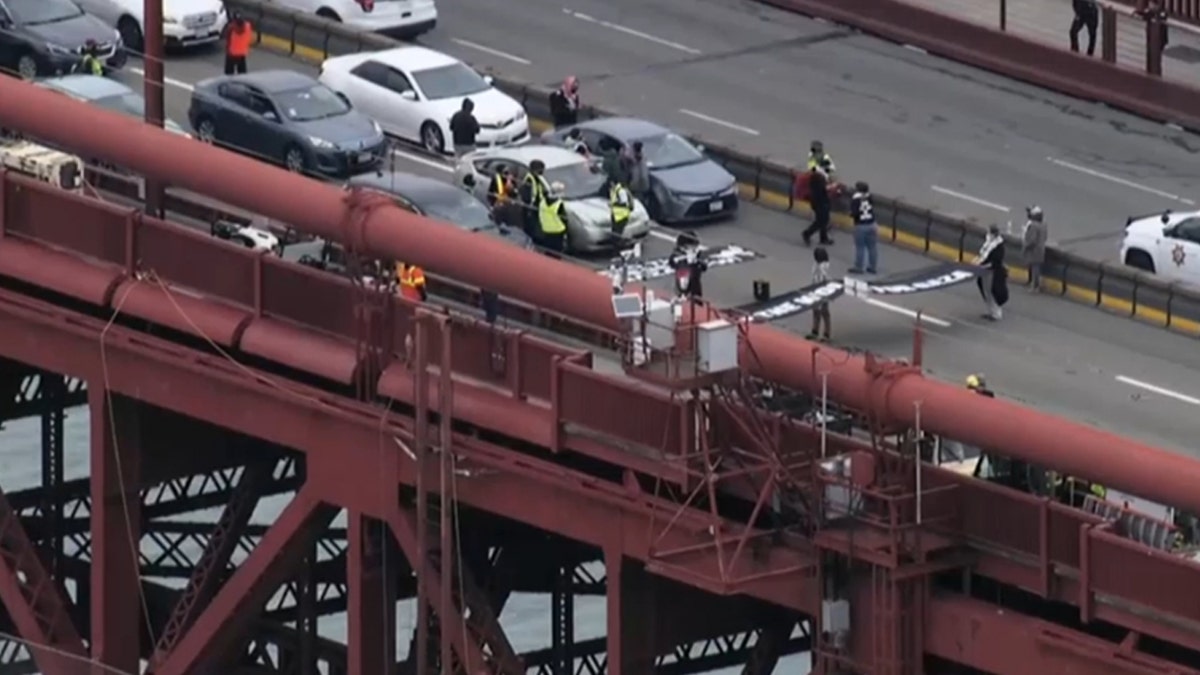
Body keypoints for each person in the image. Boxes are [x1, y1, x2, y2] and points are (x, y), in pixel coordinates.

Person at [975, 224, 1009, 321]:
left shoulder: (998, 246)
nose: (988, 234)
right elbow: (982, 254)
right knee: (986, 291)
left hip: (993, 272)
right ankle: (990, 311)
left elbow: (996, 260)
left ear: (994, 234)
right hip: (985, 270)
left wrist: (985, 264)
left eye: (989, 232)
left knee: (991, 292)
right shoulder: (989, 242)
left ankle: (996, 313)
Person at [849, 181, 878, 274]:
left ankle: (859, 267)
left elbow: (854, 213)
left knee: (860, 247)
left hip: (861, 225)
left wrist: (851, 214)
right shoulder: (869, 197)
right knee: (872, 247)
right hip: (872, 224)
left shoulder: (855, 199)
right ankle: (872, 267)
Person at [802, 162, 833, 247]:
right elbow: (820, 191)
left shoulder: (820, 176)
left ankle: (823, 237)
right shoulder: (818, 177)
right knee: (820, 221)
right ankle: (807, 233)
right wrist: (830, 188)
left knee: (825, 220)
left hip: (821, 201)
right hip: (820, 202)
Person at [669, 232, 707, 299]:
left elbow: (704, 267)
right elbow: (672, 263)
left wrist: (696, 261)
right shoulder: (678, 256)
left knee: (697, 301)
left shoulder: (697, 255)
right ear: (684, 247)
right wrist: (688, 262)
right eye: (693, 247)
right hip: (683, 290)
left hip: (696, 288)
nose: (695, 249)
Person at [519, 160, 550, 239]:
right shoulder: (529, 179)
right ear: (535, 170)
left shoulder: (537, 178)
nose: (542, 172)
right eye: (541, 170)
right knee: (530, 227)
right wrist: (529, 208)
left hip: (537, 206)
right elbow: (526, 196)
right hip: (530, 208)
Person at [808, 246, 832, 342]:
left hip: (823, 292)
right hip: (815, 290)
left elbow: (825, 278)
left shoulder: (824, 266)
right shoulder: (816, 265)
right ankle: (815, 330)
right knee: (816, 311)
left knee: (824, 312)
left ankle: (826, 333)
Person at [1021, 205, 1047, 290]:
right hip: (1041, 249)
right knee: (1036, 267)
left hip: (1033, 250)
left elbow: (1032, 240)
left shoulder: (1033, 226)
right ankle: (1034, 284)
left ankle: (1034, 286)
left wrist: (1026, 246)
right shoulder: (1043, 225)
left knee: (1034, 268)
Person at [539, 182, 569, 255]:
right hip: (558, 232)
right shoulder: (559, 204)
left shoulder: (542, 202)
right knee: (556, 253)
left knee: (548, 252)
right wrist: (566, 229)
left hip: (546, 230)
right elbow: (564, 219)